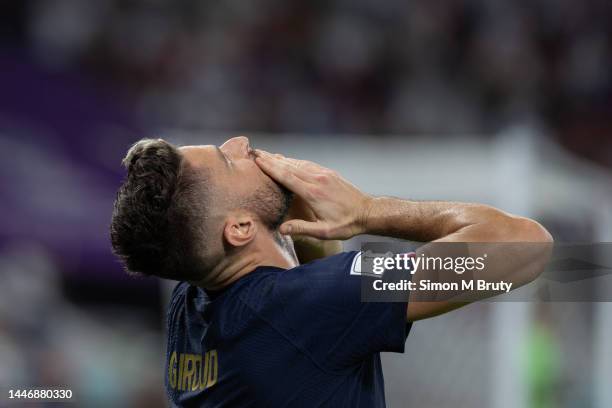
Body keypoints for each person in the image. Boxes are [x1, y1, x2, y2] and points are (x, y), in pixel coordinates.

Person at [110, 136, 553, 407]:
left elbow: (310, 340)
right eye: (228, 161)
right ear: (241, 228)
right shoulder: (304, 305)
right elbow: (527, 248)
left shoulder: (191, 307)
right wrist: (366, 210)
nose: (240, 143)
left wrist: (295, 217)